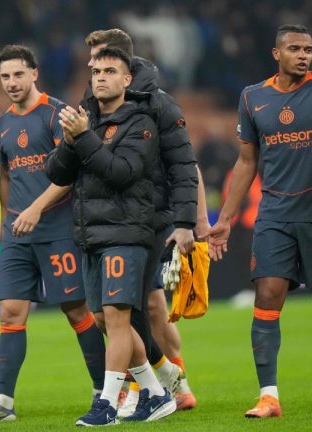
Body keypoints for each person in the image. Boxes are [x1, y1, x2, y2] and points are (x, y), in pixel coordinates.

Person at [208, 24, 312, 417]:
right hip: (274, 214)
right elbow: (245, 162)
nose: (304, 55)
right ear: (277, 54)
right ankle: (269, 396)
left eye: (308, 48)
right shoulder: (253, 97)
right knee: (267, 296)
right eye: (294, 48)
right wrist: (225, 219)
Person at [0, 45, 106, 423]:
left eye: (18, 74)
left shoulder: (57, 115)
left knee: (76, 311)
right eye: (5, 76)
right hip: (18, 233)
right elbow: (7, 174)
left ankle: (104, 391)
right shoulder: (1, 125)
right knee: (9, 310)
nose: (11, 83)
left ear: (34, 73)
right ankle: (3, 403)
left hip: (57, 228)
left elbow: (69, 175)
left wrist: (35, 209)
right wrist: (12, 220)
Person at [47, 47, 175, 426]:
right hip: (91, 234)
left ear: (126, 80)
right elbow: (57, 173)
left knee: (119, 320)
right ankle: (153, 392)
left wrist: (83, 138)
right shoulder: (85, 120)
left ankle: (106, 404)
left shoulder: (141, 123)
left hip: (126, 231)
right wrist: (72, 140)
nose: (100, 77)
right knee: (103, 319)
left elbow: (121, 172)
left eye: (110, 71)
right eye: (96, 70)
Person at [84, 28, 203, 412]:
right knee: (115, 314)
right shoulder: (93, 104)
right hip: (108, 220)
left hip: (148, 218)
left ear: (125, 64)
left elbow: (185, 165)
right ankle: (164, 379)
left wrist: (189, 221)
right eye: (92, 62)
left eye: (103, 59)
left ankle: (163, 384)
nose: (94, 67)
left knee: (143, 309)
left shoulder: (159, 105)